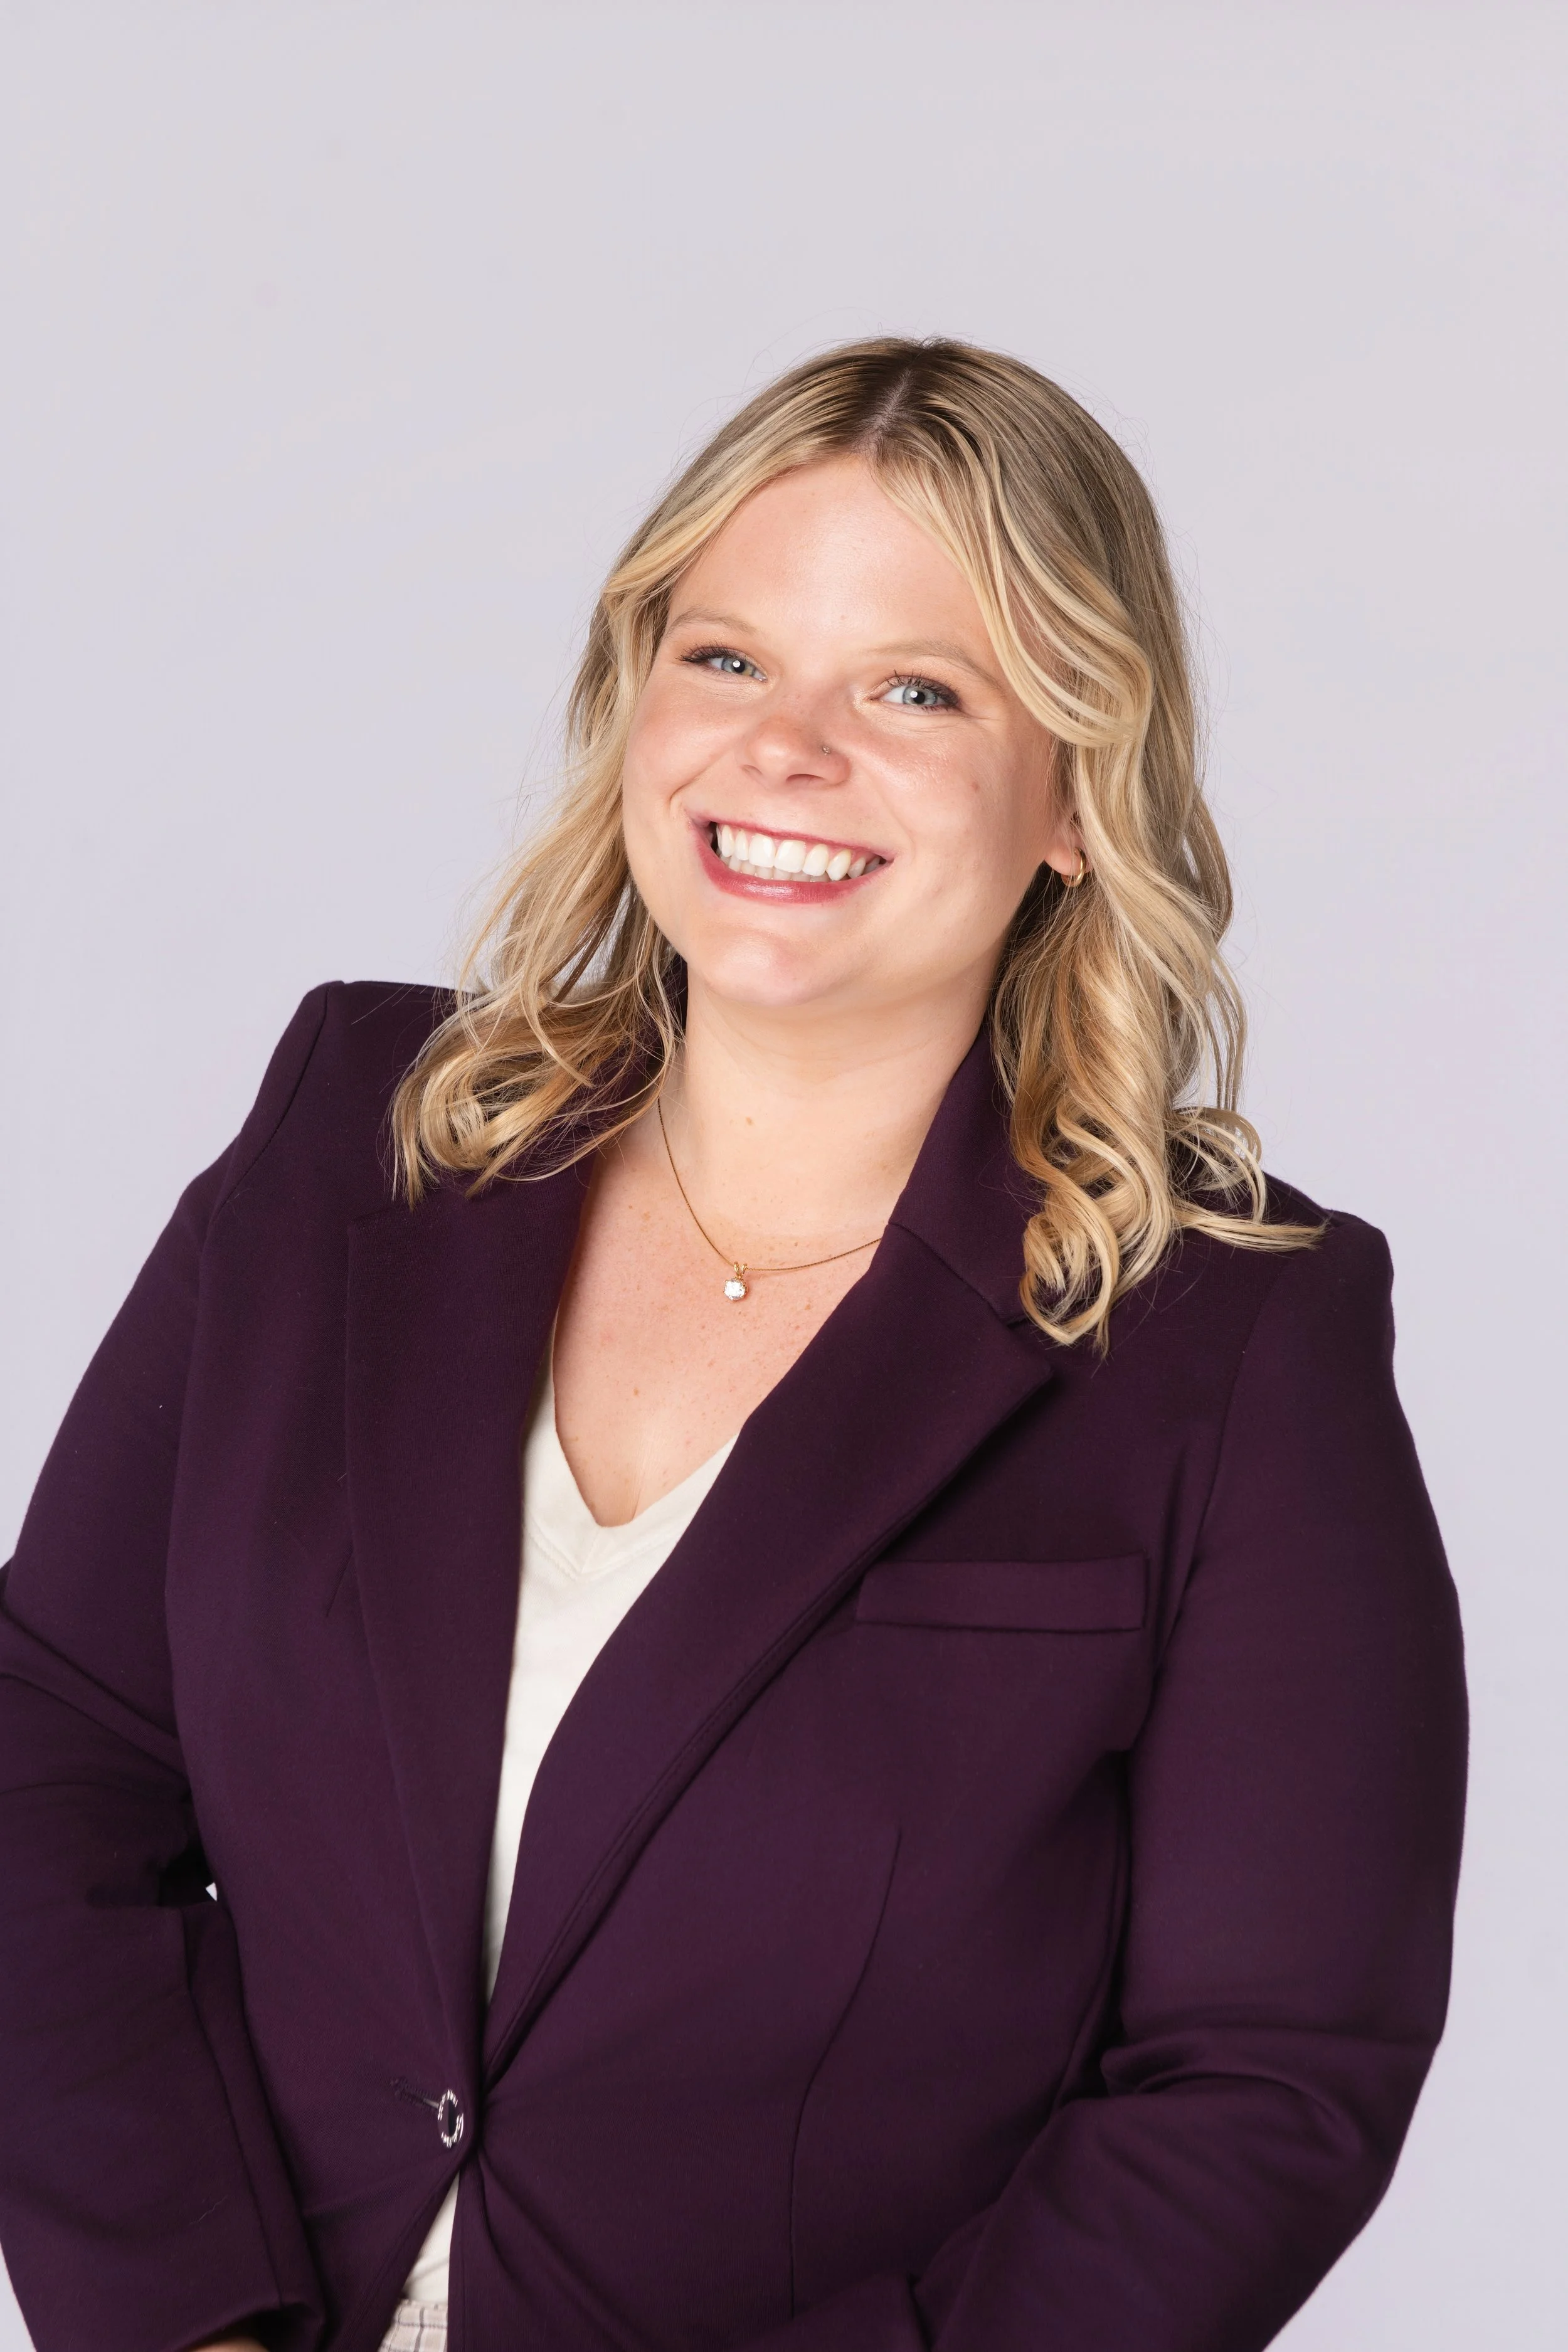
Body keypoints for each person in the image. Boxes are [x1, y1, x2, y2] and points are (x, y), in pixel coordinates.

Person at [0, 338, 1466, 2352]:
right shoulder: (355, 1134)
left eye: (915, 689)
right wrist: (192, 2324)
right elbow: (46, 1752)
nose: (784, 753)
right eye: (724, 658)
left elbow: (1263, 2080)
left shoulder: (1233, 1338)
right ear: (633, 702)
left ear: (1070, 795)